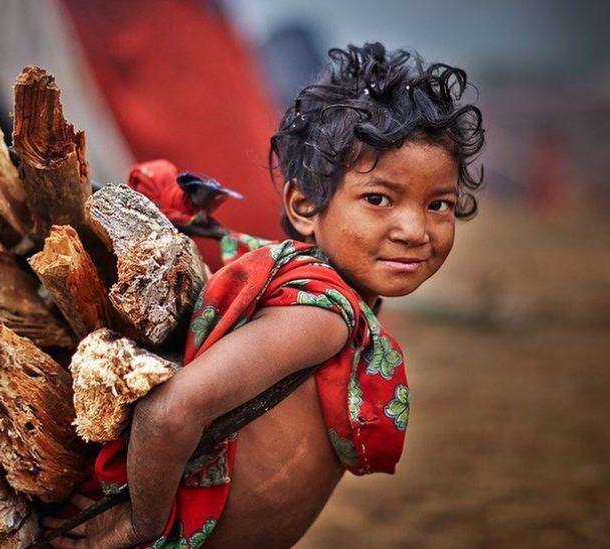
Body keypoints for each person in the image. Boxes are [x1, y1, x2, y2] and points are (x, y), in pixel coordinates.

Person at [44, 41, 485, 549]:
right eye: (378, 198)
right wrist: (142, 525)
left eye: (439, 204)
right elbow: (170, 413)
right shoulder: (322, 314)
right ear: (303, 207)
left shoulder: (311, 295)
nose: (414, 229)